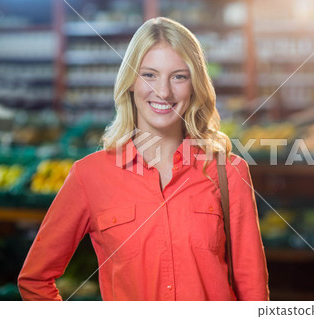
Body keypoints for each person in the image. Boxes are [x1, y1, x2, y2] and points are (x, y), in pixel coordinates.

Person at [18, 17, 269, 301]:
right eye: (149, 74)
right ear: (130, 83)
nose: (163, 91)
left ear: (194, 85)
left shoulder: (229, 171)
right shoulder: (89, 176)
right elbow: (35, 280)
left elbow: (253, 291)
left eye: (179, 76)